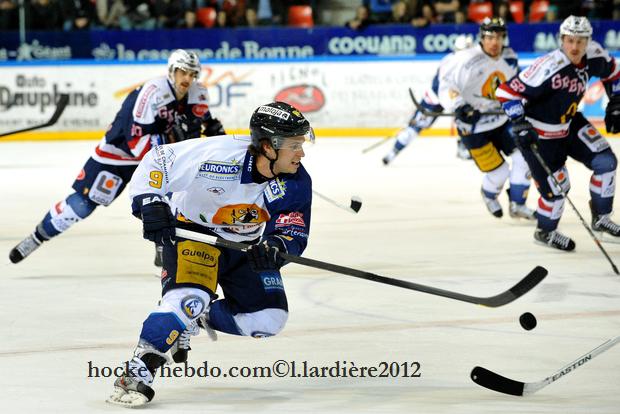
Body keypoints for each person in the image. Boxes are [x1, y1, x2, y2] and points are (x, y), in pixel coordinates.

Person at [106, 101, 314, 407]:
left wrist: (278, 247)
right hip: (196, 233)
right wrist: (150, 200)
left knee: (269, 319)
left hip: (247, 245)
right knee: (188, 299)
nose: (302, 153)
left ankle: (199, 317)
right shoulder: (217, 155)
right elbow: (158, 161)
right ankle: (136, 374)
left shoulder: (295, 181)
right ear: (269, 146)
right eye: (295, 145)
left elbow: (293, 229)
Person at [9, 49, 225, 265]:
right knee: (83, 204)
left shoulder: (199, 93)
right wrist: (171, 137)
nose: (187, 78)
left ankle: (164, 247)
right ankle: (37, 237)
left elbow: (201, 121)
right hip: (119, 152)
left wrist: (213, 131)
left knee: (174, 198)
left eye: (192, 74)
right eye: (182, 72)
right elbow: (136, 143)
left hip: (160, 154)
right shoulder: (152, 93)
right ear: (172, 71)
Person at [497, 15, 620, 250]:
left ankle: (602, 218)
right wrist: (520, 122)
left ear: (588, 41)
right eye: (570, 40)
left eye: (580, 41)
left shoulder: (594, 53)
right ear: (561, 39)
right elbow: (505, 92)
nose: (575, 47)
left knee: (606, 162)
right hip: (539, 135)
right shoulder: (548, 66)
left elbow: (614, 72)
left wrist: (617, 100)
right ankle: (545, 231)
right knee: (557, 190)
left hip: (571, 124)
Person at [436, 17, 535, 220]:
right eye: (490, 37)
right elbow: (447, 87)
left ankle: (518, 204)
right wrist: (459, 106)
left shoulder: (509, 57)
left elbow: (514, 87)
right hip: (473, 127)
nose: (494, 42)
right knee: (500, 173)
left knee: (525, 157)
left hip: (499, 121)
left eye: (498, 37)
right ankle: (489, 195)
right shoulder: (466, 59)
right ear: (482, 37)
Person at [382, 34, 474, 166]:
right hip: (436, 98)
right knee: (415, 127)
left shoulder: (470, 63)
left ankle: (463, 147)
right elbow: (439, 87)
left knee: (466, 121)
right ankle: (394, 151)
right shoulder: (449, 62)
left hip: (455, 98)